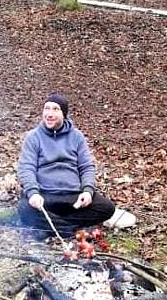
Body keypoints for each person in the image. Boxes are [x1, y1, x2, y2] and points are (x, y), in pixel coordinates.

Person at [17, 93, 117, 238]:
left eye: (55, 109)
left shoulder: (76, 136)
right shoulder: (33, 137)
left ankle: (53, 227)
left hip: (73, 196)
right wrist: (33, 193)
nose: (49, 114)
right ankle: (70, 230)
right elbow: (27, 168)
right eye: (47, 109)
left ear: (64, 114)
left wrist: (88, 191)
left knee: (107, 208)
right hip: (45, 196)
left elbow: (86, 167)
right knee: (24, 208)